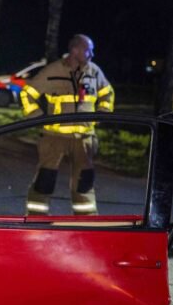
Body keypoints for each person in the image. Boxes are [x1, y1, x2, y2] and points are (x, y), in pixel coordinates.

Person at [21, 34, 114, 215]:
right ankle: (36, 219)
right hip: (55, 138)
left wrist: (103, 112)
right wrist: (37, 116)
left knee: (84, 182)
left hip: (84, 139)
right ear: (75, 50)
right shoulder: (53, 71)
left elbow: (107, 93)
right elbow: (27, 94)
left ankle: (87, 222)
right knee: (45, 179)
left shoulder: (94, 71)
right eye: (89, 50)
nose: (92, 54)